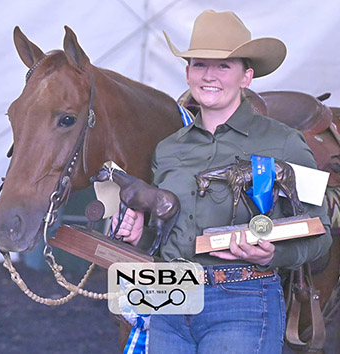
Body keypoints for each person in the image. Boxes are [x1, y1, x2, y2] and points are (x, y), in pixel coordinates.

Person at [112, 10, 332, 354]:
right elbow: (168, 234)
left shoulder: (286, 142)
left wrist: (274, 253)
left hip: (242, 302)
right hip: (170, 297)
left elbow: (320, 234)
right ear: (187, 73)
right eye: (199, 65)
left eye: (223, 66)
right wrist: (141, 235)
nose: (209, 76)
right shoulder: (168, 149)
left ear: (246, 76)